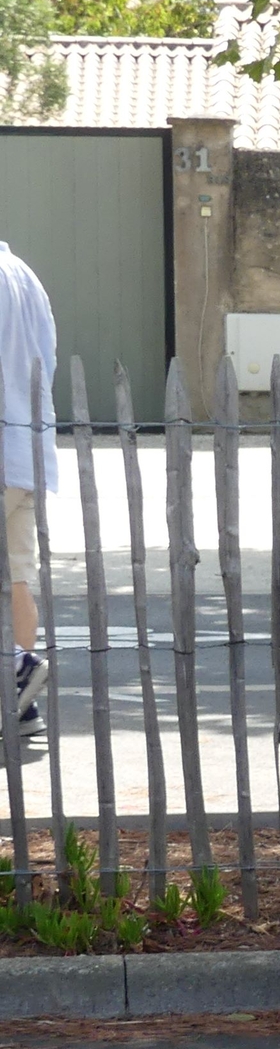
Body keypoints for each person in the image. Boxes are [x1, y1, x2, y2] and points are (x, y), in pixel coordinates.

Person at [0, 238, 55, 731]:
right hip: (25, 448)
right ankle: (21, 703)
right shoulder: (23, 273)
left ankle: (18, 668)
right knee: (16, 576)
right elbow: (47, 360)